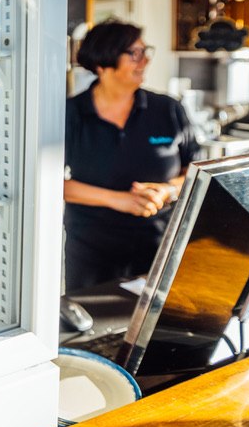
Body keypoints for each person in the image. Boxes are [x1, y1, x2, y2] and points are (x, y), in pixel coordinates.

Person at [63, 20, 199, 291]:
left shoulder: (168, 110)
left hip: (160, 247)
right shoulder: (70, 114)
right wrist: (120, 200)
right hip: (93, 251)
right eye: (134, 53)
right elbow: (47, 182)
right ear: (103, 62)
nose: (145, 61)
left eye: (146, 51)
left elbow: (195, 172)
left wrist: (166, 191)